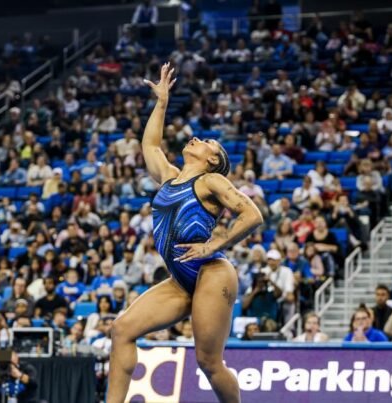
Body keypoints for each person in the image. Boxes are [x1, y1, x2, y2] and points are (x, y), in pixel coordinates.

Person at [108, 64, 263, 403]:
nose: (197, 138)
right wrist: (161, 102)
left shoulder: (211, 181)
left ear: (212, 160)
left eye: (208, 142)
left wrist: (216, 244)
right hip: (181, 278)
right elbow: (150, 146)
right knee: (121, 330)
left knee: (208, 361)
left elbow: (251, 214)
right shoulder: (169, 177)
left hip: (212, 273)